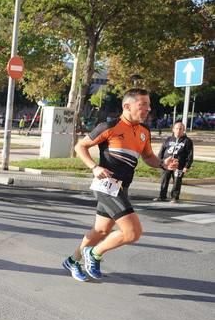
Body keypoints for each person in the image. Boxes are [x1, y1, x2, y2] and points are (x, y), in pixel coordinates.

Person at [62, 89, 179, 282]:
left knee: (101, 231)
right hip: (107, 185)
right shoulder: (109, 126)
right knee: (133, 232)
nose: (148, 110)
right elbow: (80, 146)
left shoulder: (144, 131)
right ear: (127, 106)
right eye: (143, 105)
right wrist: (94, 167)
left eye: (149, 106)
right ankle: (94, 254)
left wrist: (162, 164)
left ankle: (73, 261)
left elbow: (148, 156)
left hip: (122, 187)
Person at [154, 121, 194, 204]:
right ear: (173, 129)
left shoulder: (187, 141)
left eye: (181, 129)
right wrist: (159, 161)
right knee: (164, 180)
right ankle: (162, 196)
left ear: (184, 130)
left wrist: (187, 166)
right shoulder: (168, 139)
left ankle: (174, 197)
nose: (178, 130)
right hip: (167, 164)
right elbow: (162, 150)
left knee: (177, 181)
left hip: (179, 165)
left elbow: (190, 155)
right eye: (177, 128)